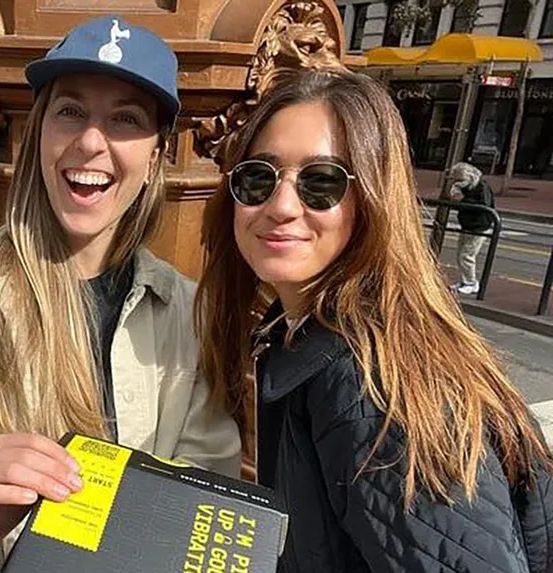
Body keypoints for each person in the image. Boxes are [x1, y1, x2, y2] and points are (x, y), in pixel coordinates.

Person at [0, 16, 241, 572]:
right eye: (70, 111)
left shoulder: (192, 314)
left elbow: (207, 493)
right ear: (39, 133)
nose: (91, 142)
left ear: (155, 156)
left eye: (125, 120)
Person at [195, 67, 553, 572]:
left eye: (322, 183)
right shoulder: (304, 334)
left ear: (374, 200)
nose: (280, 206)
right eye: (259, 177)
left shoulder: (371, 385)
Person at [448, 162, 495, 296]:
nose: (457, 182)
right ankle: (465, 281)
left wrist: (462, 200)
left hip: (479, 226)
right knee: (461, 254)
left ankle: (471, 283)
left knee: (467, 255)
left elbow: (483, 206)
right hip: (468, 224)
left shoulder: (481, 187)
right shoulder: (468, 186)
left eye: (459, 179)